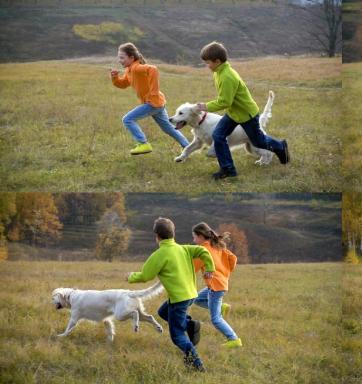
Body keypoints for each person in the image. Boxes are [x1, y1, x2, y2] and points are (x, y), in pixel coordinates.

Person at [127, 217, 215, 372]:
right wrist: (209, 268)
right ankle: (191, 325)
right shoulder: (183, 248)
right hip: (191, 294)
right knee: (162, 311)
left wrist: (130, 277)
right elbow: (203, 250)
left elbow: (145, 276)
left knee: (177, 336)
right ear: (173, 234)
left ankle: (198, 365)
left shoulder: (159, 255)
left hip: (179, 299)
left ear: (157, 236)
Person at [196, 41, 290, 180]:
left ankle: (280, 146)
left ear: (217, 61)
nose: (207, 66)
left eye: (208, 63)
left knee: (259, 142)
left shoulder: (227, 76)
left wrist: (206, 106)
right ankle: (228, 169)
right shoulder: (218, 71)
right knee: (218, 135)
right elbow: (227, 100)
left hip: (246, 115)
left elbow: (225, 102)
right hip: (233, 113)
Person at [110, 42, 189, 155]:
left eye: (122, 57)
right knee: (168, 128)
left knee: (127, 119)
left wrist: (153, 93)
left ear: (131, 57)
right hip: (158, 103)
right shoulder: (129, 70)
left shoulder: (137, 67)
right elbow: (123, 84)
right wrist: (115, 77)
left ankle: (143, 144)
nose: (119, 60)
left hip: (152, 103)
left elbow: (153, 69)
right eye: (119, 57)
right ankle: (187, 147)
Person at [190, 222, 242, 349]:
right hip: (220, 283)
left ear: (201, 236)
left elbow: (192, 268)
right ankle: (222, 307)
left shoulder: (203, 250)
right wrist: (225, 272)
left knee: (216, 319)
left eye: (194, 237)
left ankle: (234, 339)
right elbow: (233, 258)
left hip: (216, 287)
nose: (193, 240)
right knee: (196, 298)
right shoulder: (217, 245)